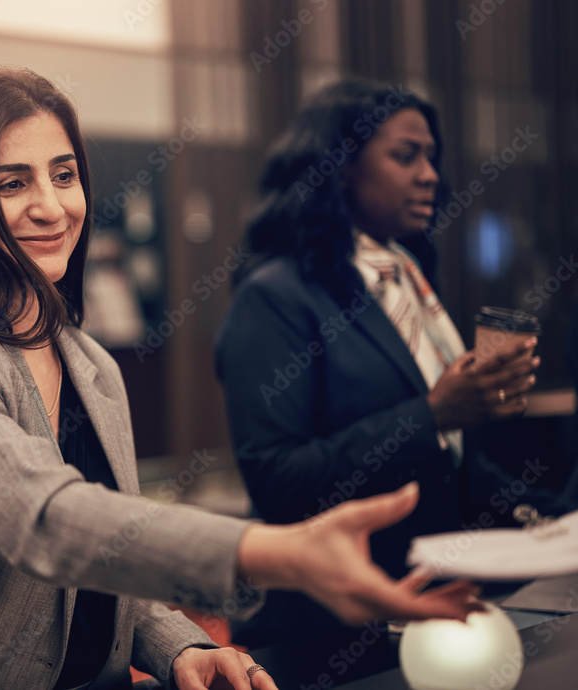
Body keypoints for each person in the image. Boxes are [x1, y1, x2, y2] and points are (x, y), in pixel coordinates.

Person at [0, 68, 480, 690]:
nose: (52, 207)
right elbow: (49, 521)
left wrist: (177, 644)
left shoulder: (90, 364)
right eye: (12, 183)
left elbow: (105, 553)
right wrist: (274, 552)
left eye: (65, 175)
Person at [215, 78, 575, 649]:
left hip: (431, 607)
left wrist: (552, 522)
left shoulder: (404, 278)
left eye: (431, 157)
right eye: (406, 156)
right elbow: (280, 481)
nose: (429, 174)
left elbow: (450, 467)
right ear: (339, 168)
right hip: (328, 629)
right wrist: (432, 413)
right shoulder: (276, 296)